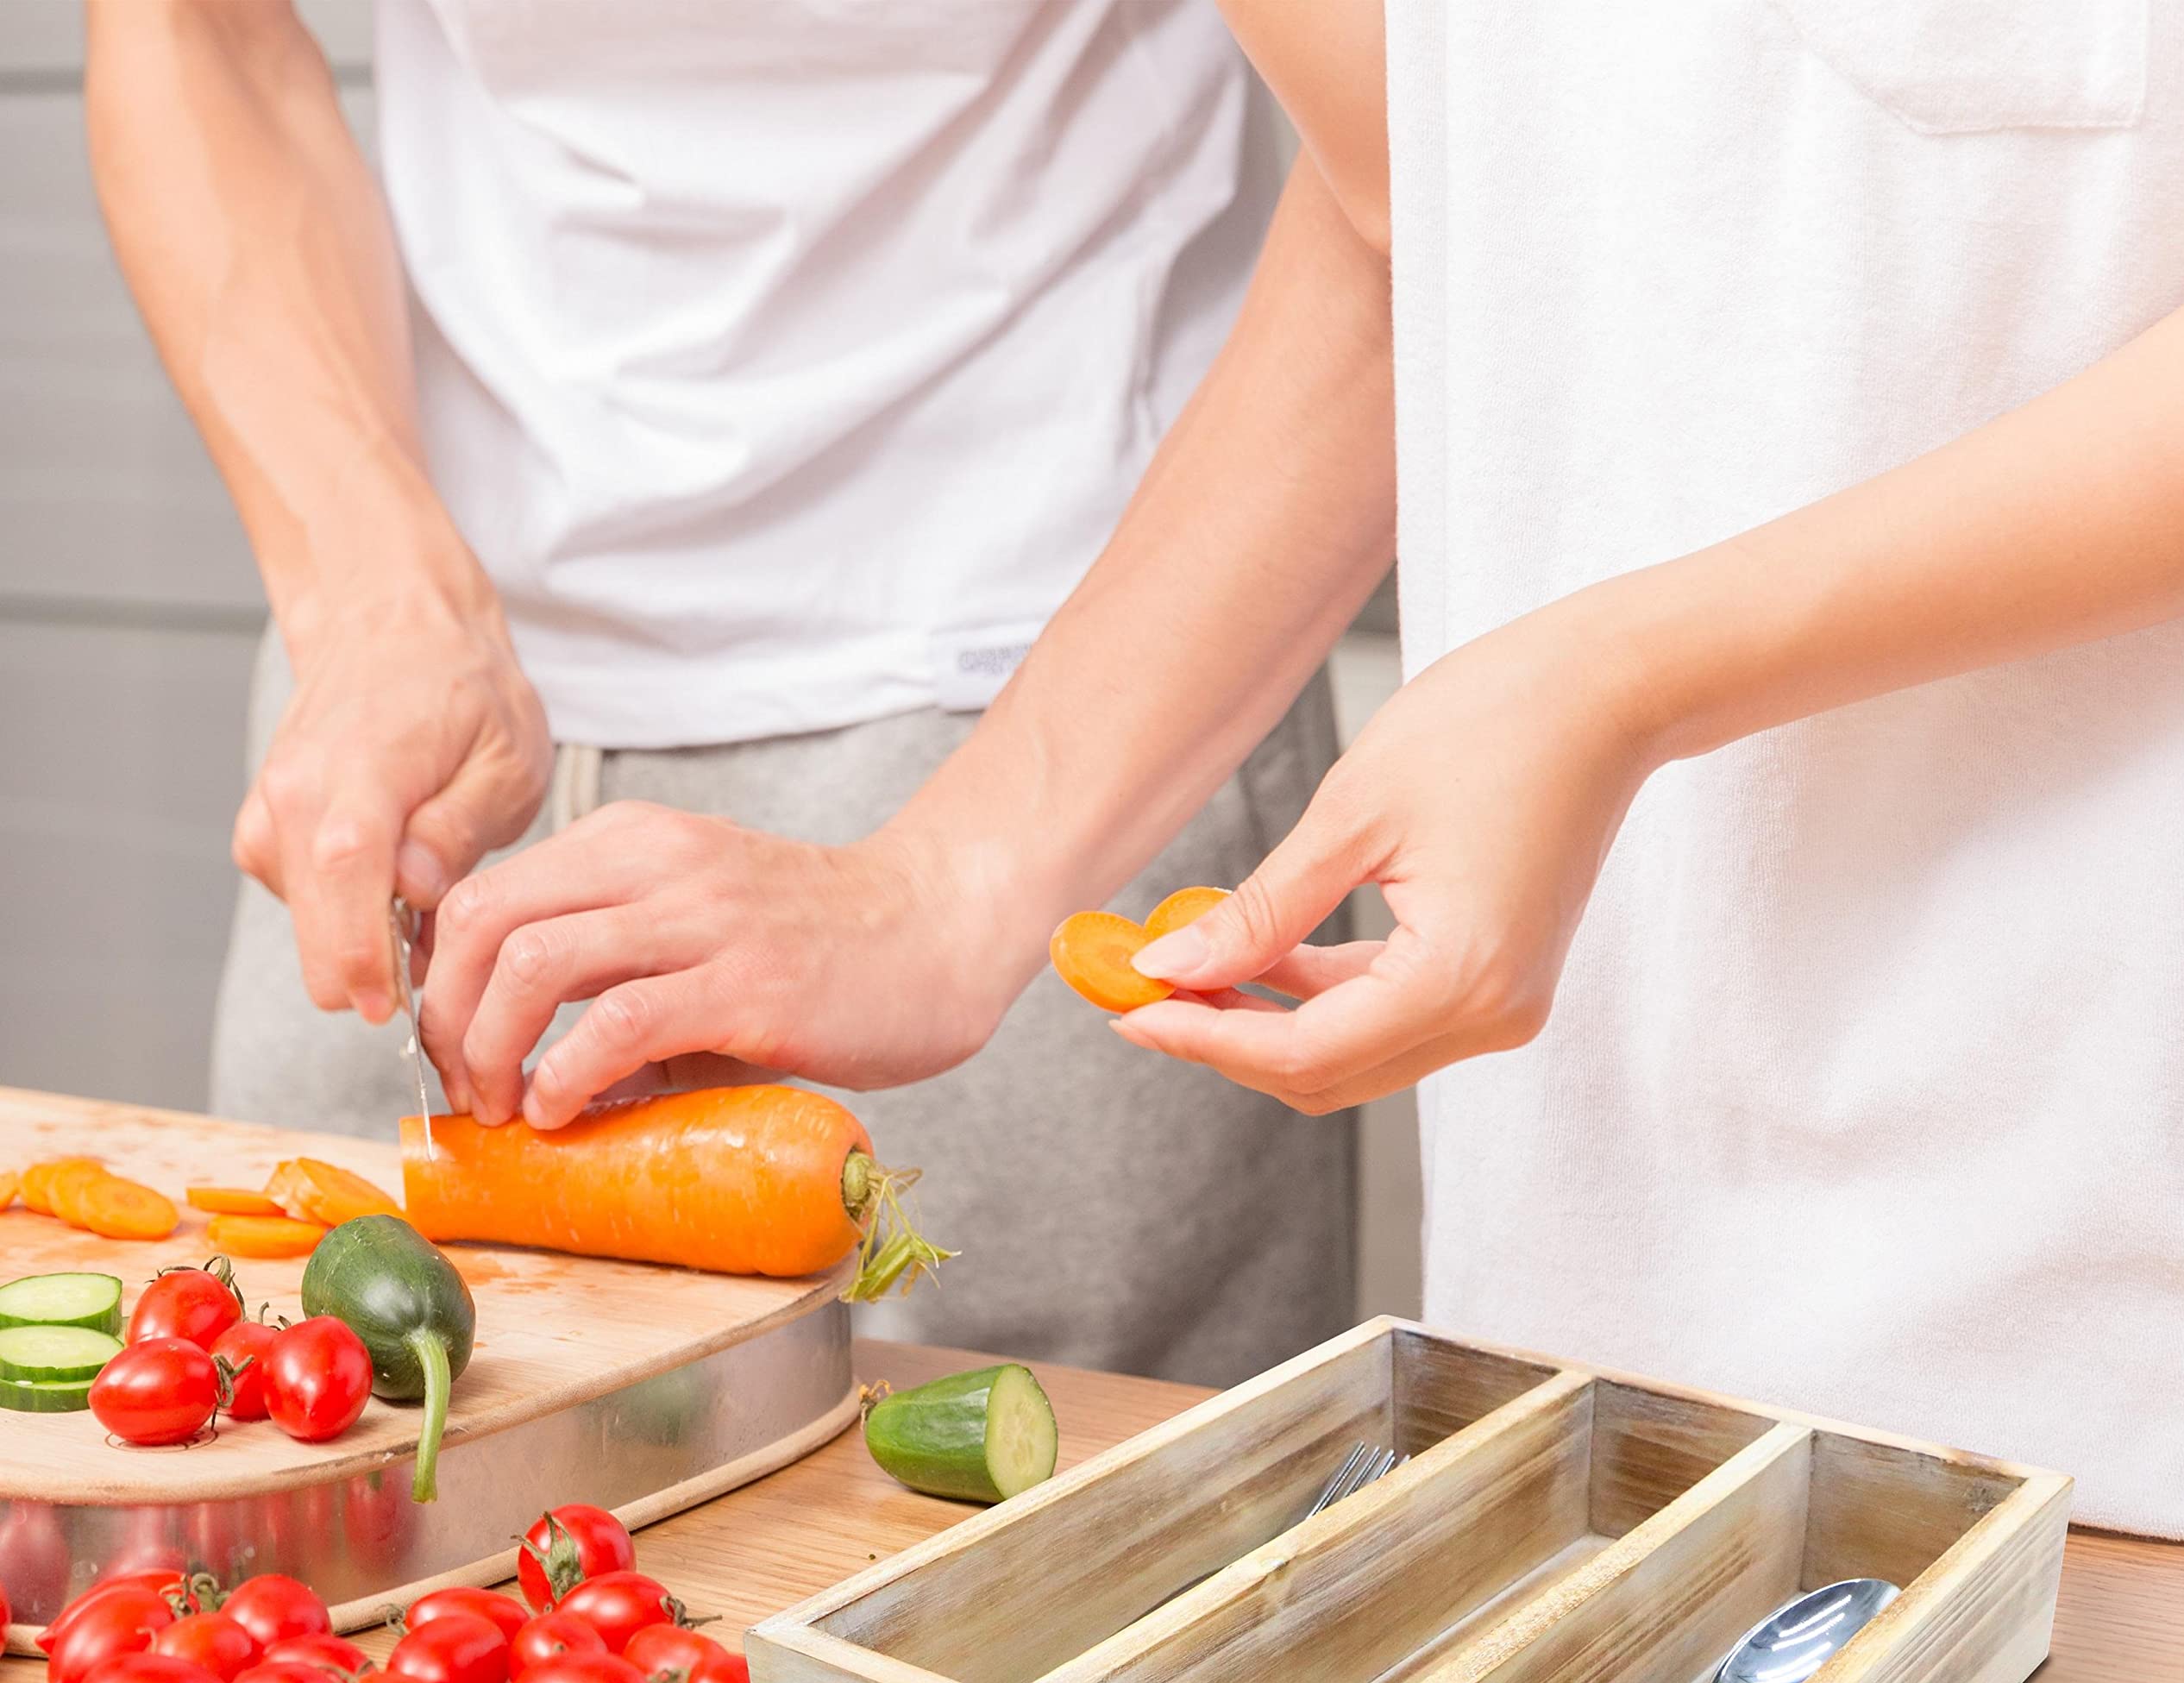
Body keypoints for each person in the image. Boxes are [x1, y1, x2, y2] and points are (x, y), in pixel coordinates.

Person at [411, 1, 2184, 1539]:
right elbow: (1406, 216)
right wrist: (949, 879)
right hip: (1591, 1314)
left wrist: (1622, 677)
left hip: (2106, 1367)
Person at [85, 0, 1353, 1385]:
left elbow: (1427, 171)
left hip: (1063, 715)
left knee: (1082, 1562)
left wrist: (952, 884)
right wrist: (364, 577)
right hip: (409, 724)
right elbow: (184, 25)